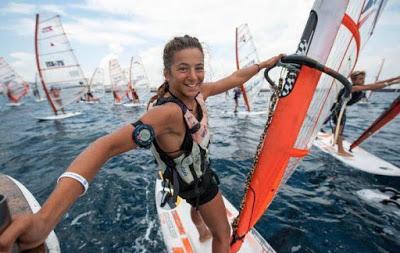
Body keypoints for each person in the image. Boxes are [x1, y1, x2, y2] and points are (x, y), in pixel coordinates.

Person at [0, 35, 283, 253]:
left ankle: (200, 227)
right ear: (167, 72)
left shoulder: (199, 93)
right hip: (199, 184)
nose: (193, 76)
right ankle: (208, 232)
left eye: (199, 68)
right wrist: (45, 220)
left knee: (198, 209)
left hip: (180, 179)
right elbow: (104, 147)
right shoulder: (167, 113)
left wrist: (264, 64)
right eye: (183, 69)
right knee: (224, 235)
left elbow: (234, 78)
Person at [328, 70, 395, 157]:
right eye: (360, 79)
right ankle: (340, 150)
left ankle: (336, 141)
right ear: (354, 80)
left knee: (339, 127)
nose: (363, 80)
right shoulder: (353, 88)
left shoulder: (360, 86)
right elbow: (373, 87)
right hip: (338, 109)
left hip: (342, 109)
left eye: (363, 79)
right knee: (340, 129)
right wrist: (388, 84)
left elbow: (377, 83)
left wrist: (395, 79)